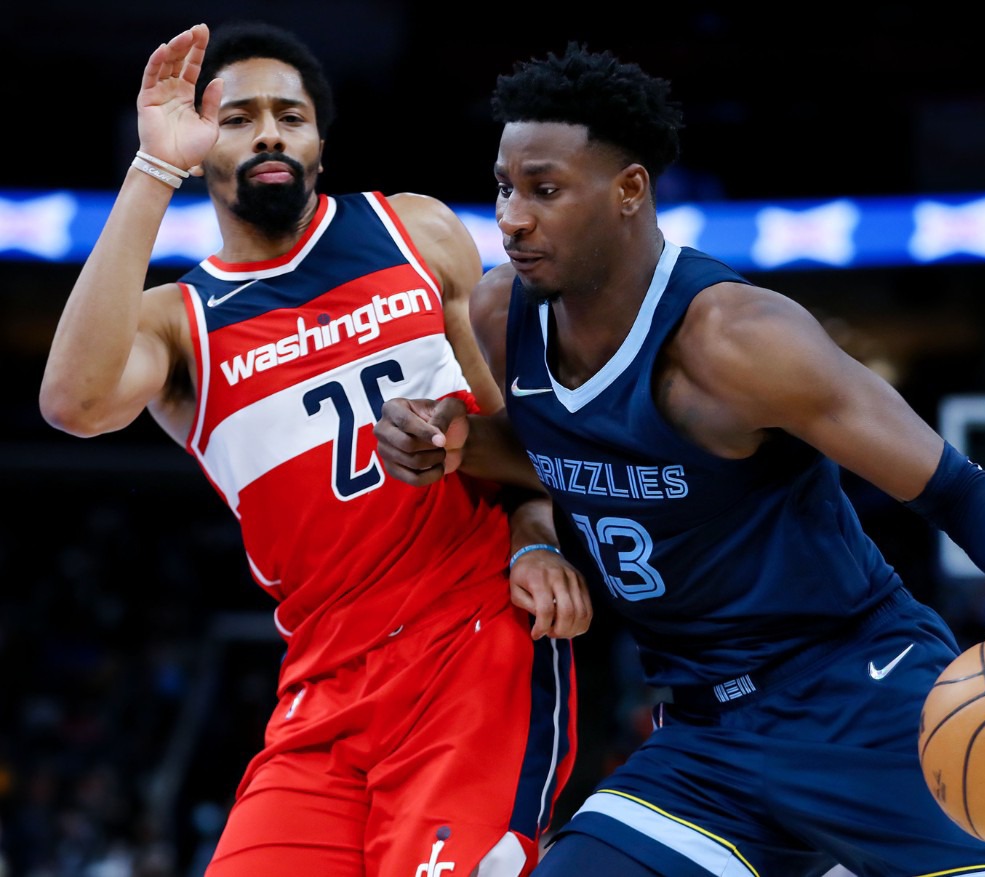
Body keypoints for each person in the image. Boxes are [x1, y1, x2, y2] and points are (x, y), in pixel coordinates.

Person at [372, 43, 985, 877]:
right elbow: (514, 460)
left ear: (630, 190)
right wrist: (436, 447)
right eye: (503, 187)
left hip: (866, 703)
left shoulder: (740, 342)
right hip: (707, 739)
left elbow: (958, 489)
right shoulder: (501, 318)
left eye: (544, 189)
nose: (512, 217)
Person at [39, 21, 592, 877]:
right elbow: (71, 403)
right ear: (202, 148)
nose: (268, 131)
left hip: (468, 640)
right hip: (322, 691)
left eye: (289, 116)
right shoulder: (175, 323)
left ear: (320, 146)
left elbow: (526, 444)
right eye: (237, 118)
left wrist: (535, 535)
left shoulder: (417, 234)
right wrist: (153, 169)